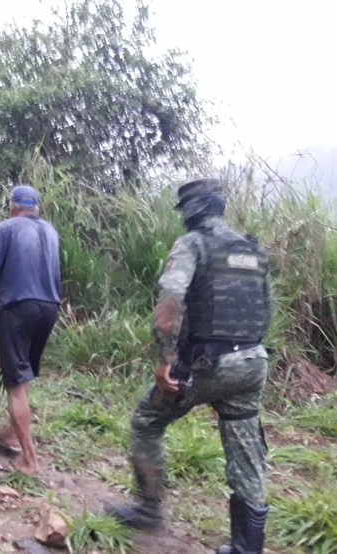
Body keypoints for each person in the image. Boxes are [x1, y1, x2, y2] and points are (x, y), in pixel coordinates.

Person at [107, 178, 272, 554]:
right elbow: (265, 310)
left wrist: (165, 359)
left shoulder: (193, 244)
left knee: (147, 421)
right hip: (252, 362)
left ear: (191, 212)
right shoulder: (252, 249)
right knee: (246, 452)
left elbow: (171, 301)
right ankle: (247, 548)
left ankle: (148, 509)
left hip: (207, 366)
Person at [0, 185, 61, 475]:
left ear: (12, 207)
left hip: (18, 308)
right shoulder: (50, 231)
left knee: (14, 382)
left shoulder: (7, 228)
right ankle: (12, 434)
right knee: (25, 373)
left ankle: (28, 460)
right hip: (50, 307)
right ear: (36, 208)